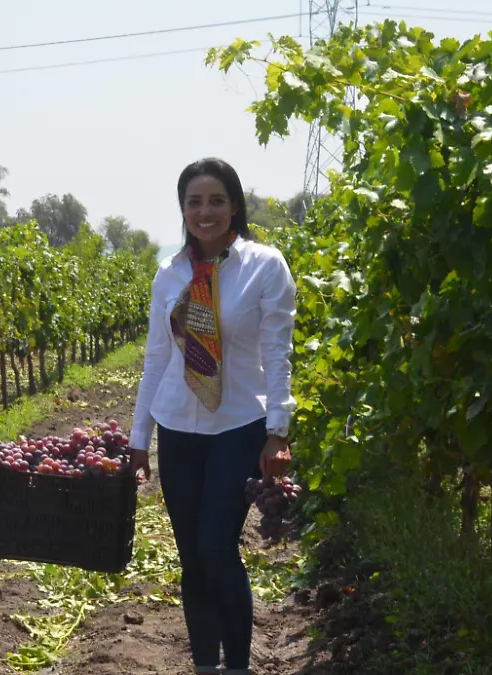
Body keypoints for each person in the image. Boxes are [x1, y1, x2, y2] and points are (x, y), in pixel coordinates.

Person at [126, 157, 296, 675]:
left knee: (216, 548)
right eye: (194, 201)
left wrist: (278, 433)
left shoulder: (265, 267)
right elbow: (157, 358)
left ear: (234, 206)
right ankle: (205, 665)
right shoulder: (170, 273)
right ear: (183, 209)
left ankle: (238, 665)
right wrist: (139, 438)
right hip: (179, 428)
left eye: (216, 200)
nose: (205, 211)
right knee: (192, 559)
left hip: (239, 425)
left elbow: (277, 353)